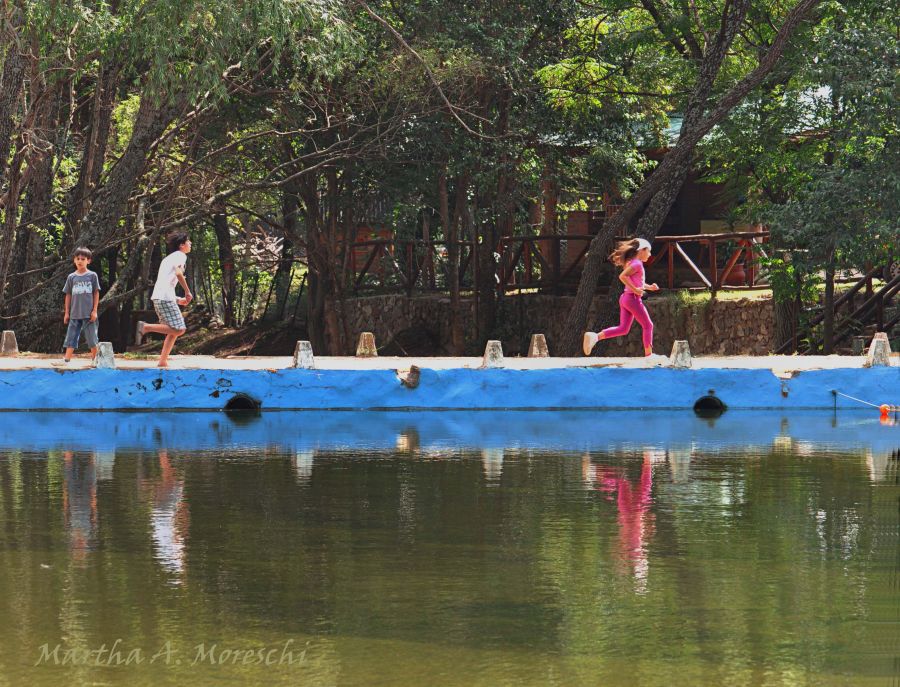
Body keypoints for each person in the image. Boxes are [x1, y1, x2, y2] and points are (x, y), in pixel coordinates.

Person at [583, 237, 659, 357]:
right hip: (632, 299)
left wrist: (649, 287)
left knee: (623, 328)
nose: (650, 254)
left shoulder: (632, 262)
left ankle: (595, 337)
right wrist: (635, 290)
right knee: (648, 325)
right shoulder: (637, 264)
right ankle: (649, 356)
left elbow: (636, 282)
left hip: (625, 298)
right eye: (648, 251)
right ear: (641, 250)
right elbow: (623, 276)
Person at [135, 232, 193, 368]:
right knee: (179, 329)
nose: (190, 244)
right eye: (188, 241)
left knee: (172, 331)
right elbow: (178, 274)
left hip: (161, 297)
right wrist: (187, 291)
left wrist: (178, 300)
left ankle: (162, 361)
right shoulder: (180, 255)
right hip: (164, 298)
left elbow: (166, 282)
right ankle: (145, 327)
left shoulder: (168, 259)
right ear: (182, 245)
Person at [62, 247, 101, 363]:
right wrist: (67, 313)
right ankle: (67, 360)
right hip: (74, 313)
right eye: (77, 258)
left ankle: (96, 360)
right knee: (71, 337)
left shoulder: (92, 276)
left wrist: (94, 311)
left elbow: (96, 293)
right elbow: (68, 295)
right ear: (74, 260)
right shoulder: (71, 277)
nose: (80, 261)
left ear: (88, 261)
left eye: (83, 259)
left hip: (89, 314)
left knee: (92, 338)